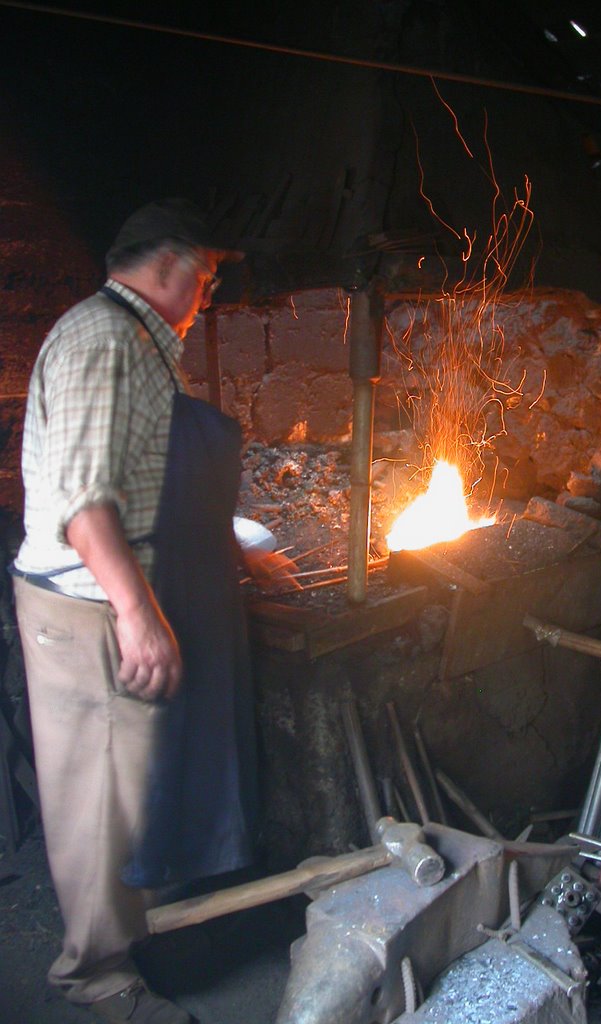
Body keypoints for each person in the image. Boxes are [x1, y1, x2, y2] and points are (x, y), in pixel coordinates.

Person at [12, 199, 295, 1024]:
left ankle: (138, 933)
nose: (204, 297)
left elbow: (146, 476)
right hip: (87, 604)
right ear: (174, 267)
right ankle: (95, 976)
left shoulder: (135, 341)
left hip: (117, 590)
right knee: (99, 803)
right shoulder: (106, 343)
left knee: (134, 789)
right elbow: (85, 505)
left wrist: (232, 547)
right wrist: (138, 614)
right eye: (204, 281)